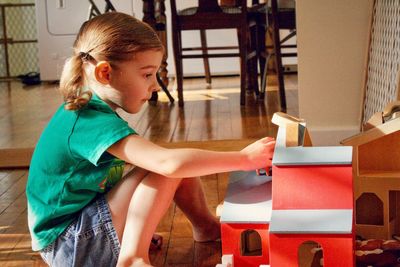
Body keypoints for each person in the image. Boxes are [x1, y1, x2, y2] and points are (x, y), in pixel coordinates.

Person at [26, 12, 275, 267]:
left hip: (77, 234)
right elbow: (169, 165)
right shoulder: (87, 122)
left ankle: (207, 228)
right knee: (169, 167)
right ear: (105, 73)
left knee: (174, 163)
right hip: (71, 245)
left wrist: (131, 229)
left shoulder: (90, 111)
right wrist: (244, 158)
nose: (155, 85)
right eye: (147, 74)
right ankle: (132, 259)